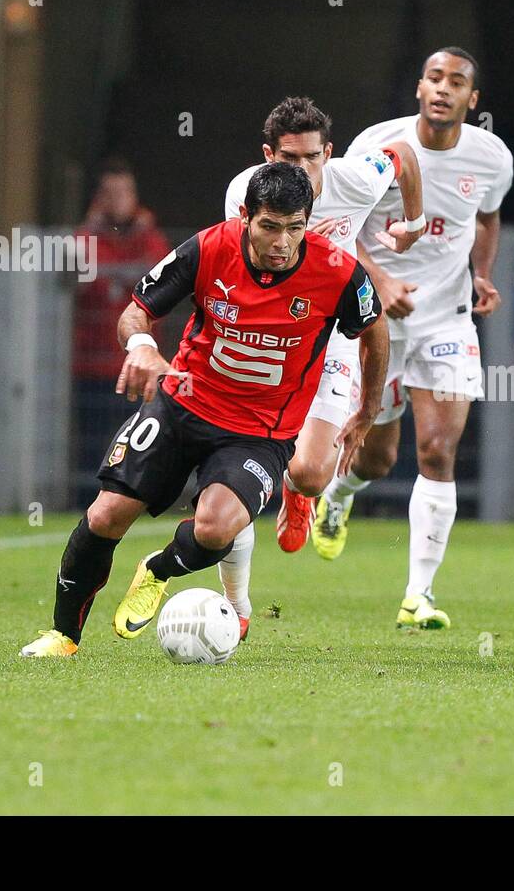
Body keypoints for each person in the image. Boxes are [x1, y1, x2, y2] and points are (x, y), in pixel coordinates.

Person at [19, 163, 388, 657]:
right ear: (245, 217)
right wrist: (144, 348)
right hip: (181, 406)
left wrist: (367, 407)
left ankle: (158, 570)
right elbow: (137, 311)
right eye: (270, 226)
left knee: (216, 527)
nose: (282, 242)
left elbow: (375, 328)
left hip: (259, 432)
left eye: (295, 228)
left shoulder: (337, 271)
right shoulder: (209, 247)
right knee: (107, 514)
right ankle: (62, 637)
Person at [312, 46, 514, 631]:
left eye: (457, 82)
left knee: (436, 450)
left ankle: (417, 595)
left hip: (447, 319)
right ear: (420, 89)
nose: (443, 89)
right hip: (374, 316)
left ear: (472, 100)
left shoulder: (493, 158)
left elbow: (487, 215)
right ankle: (338, 497)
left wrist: (481, 273)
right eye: (433, 78)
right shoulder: (377, 144)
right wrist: (379, 280)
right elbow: (338, 229)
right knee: (376, 457)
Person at [216, 97, 425, 628]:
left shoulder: (353, 177)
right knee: (232, 464)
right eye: (289, 158)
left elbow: (402, 153)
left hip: (331, 337)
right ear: (268, 155)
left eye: (313, 158)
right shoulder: (244, 194)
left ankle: (300, 492)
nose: (303, 171)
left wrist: (414, 221)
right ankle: (237, 603)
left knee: (311, 474)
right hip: (272, 337)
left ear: (328, 153)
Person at [72, 159, 172, 505]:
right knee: (92, 440)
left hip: (140, 365)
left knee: (137, 438)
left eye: (124, 192)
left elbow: (161, 283)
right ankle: (86, 502)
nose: (118, 200)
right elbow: (81, 278)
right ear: (99, 198)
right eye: (110, 193)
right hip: (93, 363)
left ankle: (133, 500)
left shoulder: (151, 238)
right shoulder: (85, 238)